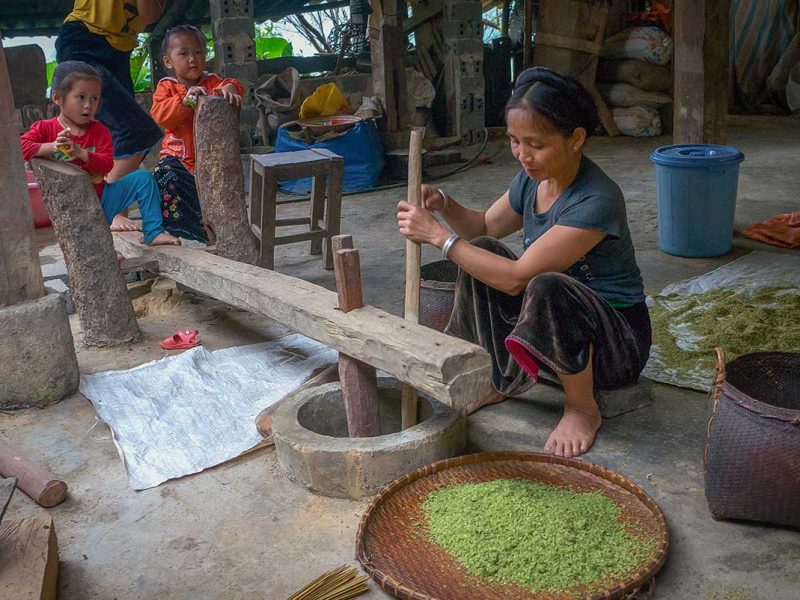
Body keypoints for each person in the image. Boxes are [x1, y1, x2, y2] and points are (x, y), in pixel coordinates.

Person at [396, 67, 651, 459]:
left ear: (576, 139)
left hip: (615, 345)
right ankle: (500, 378)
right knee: (483, 248)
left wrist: (437, 237)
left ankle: (582, 407)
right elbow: (483, 226)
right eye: (515, 141)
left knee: (544, 282)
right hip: (551, 330)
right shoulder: (533, 179)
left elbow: (517, 279)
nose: (522, 155)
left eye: (536, 144)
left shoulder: (597, 199)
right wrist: (444, 205)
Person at [20, 61, 180, 247]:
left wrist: (81, 153)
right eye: (81, 97)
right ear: (58, 97)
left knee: (144, 179)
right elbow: (23, 147)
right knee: (91, 247)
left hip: (103, 198)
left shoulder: (99, 131)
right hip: (72, 208)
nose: (88, 105)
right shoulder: (45, 128)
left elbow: (106, 165)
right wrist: (52, 147)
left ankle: (153, 232)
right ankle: (106, 252)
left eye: (95, 98)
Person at [56, 0, 166, 231]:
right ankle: (107, 211)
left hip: (119, 51)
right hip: (82, 39)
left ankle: (116, 218)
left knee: (124, 140)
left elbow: (150, 14)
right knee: (136, 132)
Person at [150, 24, 244, 243]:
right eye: (183, 53)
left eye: (198, 52)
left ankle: (208, 233)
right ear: (168, 61)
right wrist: (185, 100)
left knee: (217, 196)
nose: (192, 59)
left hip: (211, 162)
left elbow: (231, 85)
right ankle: (185, 233)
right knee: (164, 176)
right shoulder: (167, 87)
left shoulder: (211, 82)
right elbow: (161, 116)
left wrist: (230, 88)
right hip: (178, 160)